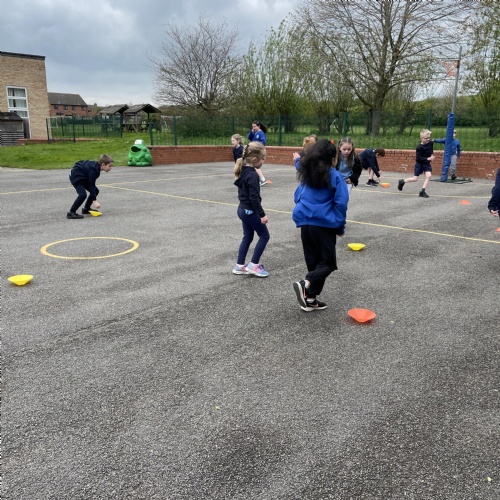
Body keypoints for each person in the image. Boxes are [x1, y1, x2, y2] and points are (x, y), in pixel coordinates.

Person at [292, 139, 349, 312]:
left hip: (305, 222)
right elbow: (341, 203)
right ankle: (306, 283)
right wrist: (340, 226)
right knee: (328, 263)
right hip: (324, 224)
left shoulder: (307, 174)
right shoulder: (335, 176)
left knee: (314, 262)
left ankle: (310, 299)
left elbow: (297, 196)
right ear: (332, 158)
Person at [232, 142, 270, 278]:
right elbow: (254, 197)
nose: (263, 161)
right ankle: (254, 265)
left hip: (242, 210)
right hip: (249, 211)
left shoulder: (243, 170)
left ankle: (239, 265)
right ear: (254, 159)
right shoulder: (253, 175)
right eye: (263, 158)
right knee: (265, 236)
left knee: (248, 236)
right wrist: (262, 215)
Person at [67, 154, 114, 219]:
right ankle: (71, 213)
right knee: (82, 195)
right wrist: (94, 201)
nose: (111, 168)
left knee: (95, 191)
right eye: (110, 166)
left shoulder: (96, 167)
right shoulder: (94, 171)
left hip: (83, 177)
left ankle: (86, 209)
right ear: (103, 165)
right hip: (76, 178)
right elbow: (91, 185)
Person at [398, 129, 435, 198]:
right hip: (419, 164)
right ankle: (402, 181)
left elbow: (431, 150)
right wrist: (427, 159)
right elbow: (418, 158)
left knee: (429, 176)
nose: (428, 139)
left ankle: (422, 191)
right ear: (421, 138)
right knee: (415, 179)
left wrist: (432, 156)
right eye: (426, 138)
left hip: (427, 164)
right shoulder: (419, 147)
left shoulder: (430, 143)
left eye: (429, 138)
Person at [248, 121, 268, 186]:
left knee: (254, 164)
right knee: (253, 165)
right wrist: (251, 132)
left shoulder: (261, 133)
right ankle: (259, 179)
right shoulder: (255, 132)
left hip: (258, 151)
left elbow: (263, 142)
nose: (253, 128)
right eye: (252, 127)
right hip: (254, 150)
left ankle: (263, 179)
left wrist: (256, 145)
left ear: (258, 126)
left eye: (254, 126)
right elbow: (249, 138)